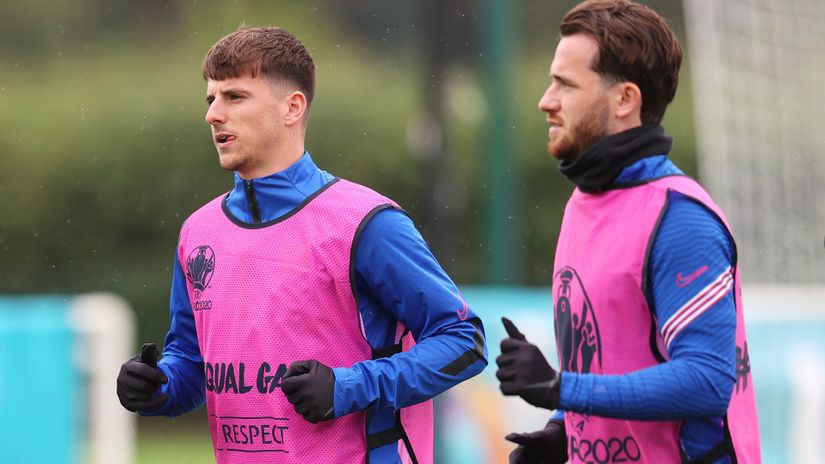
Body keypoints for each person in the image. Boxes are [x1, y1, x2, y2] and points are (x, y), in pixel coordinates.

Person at [115, 26, 487, 464]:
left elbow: (464, 340)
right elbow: (192, 366)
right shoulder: (199, 232)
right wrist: (158, 385)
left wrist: (348, 387)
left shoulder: (366, 223)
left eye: (234, 97)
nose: (213, 114)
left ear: (292, 108)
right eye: (210, 99)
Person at [495, 1, 761, 463]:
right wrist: (565, 433)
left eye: (566, 84)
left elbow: (707, 381)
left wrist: (561, 388)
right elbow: (613, 357)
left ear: (625, 100)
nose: (546, 100)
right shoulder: (584, 203)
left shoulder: (680, 217)